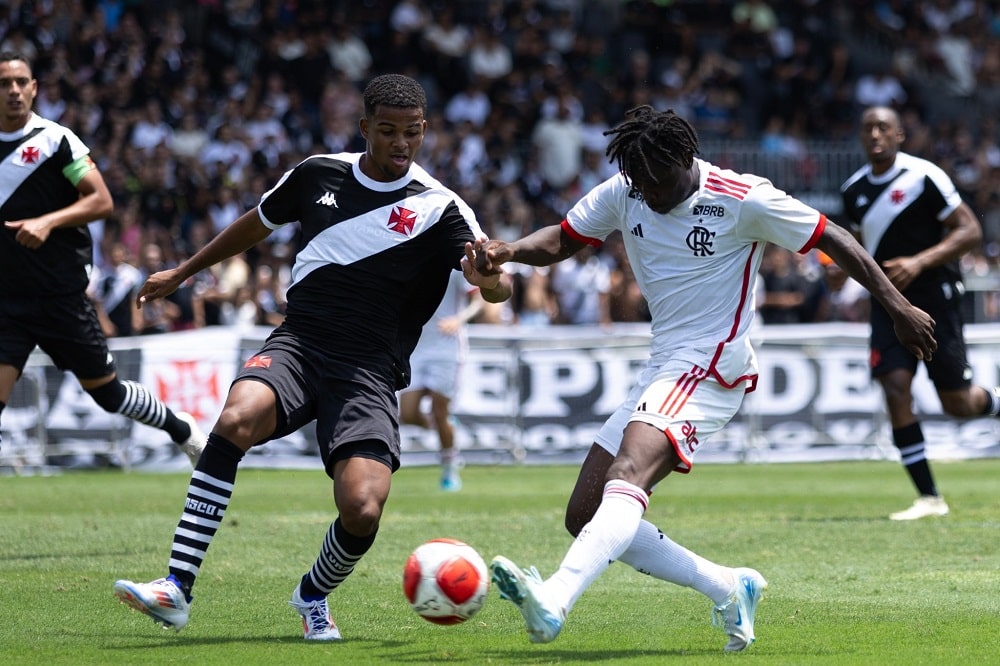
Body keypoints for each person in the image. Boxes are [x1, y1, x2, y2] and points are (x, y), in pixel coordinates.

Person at [470, 105, 937, 651]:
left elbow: (833, 236)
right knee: (585, 514)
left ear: (685, 159)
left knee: (628, 472)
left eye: (657, 180)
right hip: (664, 364)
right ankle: (727, 585)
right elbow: (564, 239)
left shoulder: (743, 198)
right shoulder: (628, 188)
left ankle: (554, 597)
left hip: (714, 363)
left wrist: (897, 306)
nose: (647, 191)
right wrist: (509, 250)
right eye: (638, 181)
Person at [112, 74, 511, 640]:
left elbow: (497, 288)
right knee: (235, 418)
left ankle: (312, 594)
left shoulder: (442, 209)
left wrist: (489, 279)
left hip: (369, 371)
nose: (402, 143)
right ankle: (176, 586)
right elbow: (257, 222)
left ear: (425, 131)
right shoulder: (318, 172)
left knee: (364, 508)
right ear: (365, 127)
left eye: (413, 133)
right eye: (389, 131)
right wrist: (185, 271)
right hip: (300, 343)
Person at [0, 52, 205, 466]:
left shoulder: (55, 140)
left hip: (60, 296)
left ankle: (179, 427)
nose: (14, 91)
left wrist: (46, 222)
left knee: (109, 395)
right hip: (7, 301)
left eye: (21, 82)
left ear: (34, 88)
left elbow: (101, 200)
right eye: (5, 83)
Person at [840, 106, 1000, 520]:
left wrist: (918, 262)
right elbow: (858, 250)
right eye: (867, 128)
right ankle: (930, 498)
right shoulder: (853, 190)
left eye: (883, 128)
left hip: (935, 296)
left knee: (958, 404)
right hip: (887, 303)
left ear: (899, 136)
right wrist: (838, 277)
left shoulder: (923, 177)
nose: (875, 134)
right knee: (895, 388)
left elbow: (970, 230)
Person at [398, 269, 484, 491]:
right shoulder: (410, 260)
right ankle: (442, 427)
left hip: (447, 346)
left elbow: (478, 300)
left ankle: (449, 468)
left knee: (440, 409)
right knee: (407, 413)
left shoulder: (454, 268)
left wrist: (459, 319)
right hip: (417, 347)